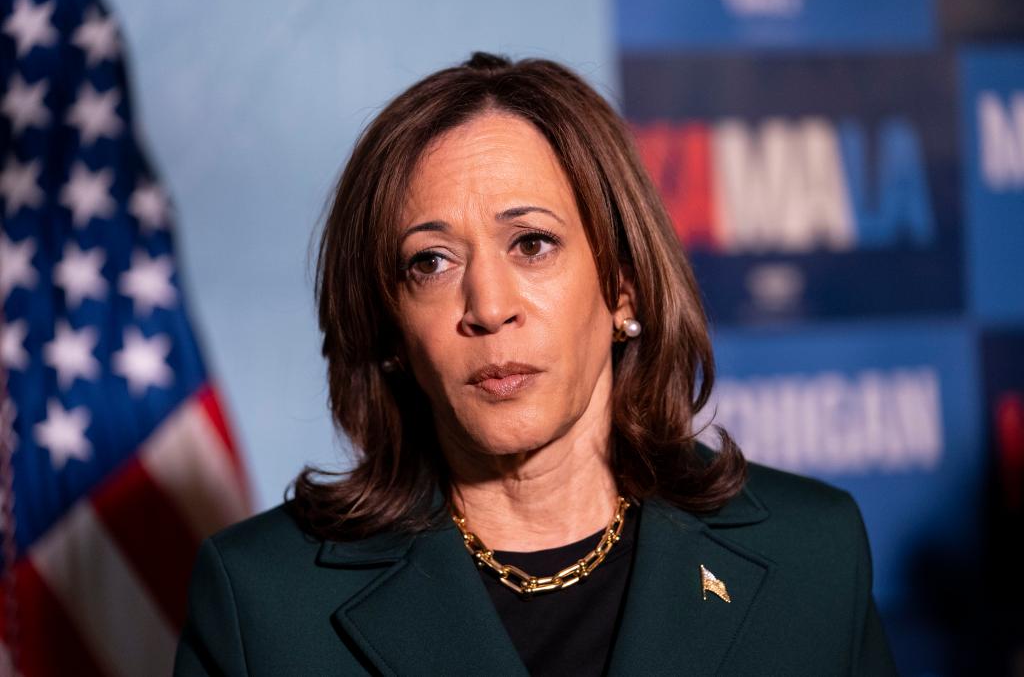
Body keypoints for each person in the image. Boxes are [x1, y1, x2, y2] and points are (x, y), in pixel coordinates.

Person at [173, 52, 898, 676]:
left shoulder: (812, 555)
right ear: (391, 331)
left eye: (532, 244)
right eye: (431, 261)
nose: (489, 306)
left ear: (623, 286)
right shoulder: (263, 603)